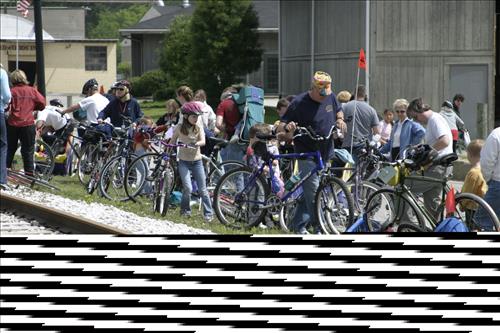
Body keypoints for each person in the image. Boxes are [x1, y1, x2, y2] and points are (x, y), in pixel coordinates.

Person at [276, 71, 346, 234]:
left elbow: (338, 110)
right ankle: (318, 228)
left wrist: (340, 119)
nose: (324, 97)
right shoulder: (299, 102)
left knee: (310, 191)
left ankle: (296, 225)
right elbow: (281, 124)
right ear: (314, 88)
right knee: (314, 192)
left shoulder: (330, 96)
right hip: (306, 152)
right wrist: (288, 128)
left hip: (325, 151)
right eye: (321, 94)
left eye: (326, 93)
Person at [407, 97, 454, 220]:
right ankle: (436, 229)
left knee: (404, 187)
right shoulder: (434, 120)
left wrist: (428, 151)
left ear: (420, 111)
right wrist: (424, 147)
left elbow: (445, 141)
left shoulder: (434, 119)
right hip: (442, 166)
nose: (416, 121)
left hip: (437, 167)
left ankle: (406, 226)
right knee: (431, 201)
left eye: (415, 117)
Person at [170, 102, 213, 222]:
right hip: (183, 161)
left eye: (197, 116)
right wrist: (169, 147)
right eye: (194, 116)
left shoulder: (198, 128)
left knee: (203, 189)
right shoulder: (179, 128)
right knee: (188, 188)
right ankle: (185, 211)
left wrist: (195, 144)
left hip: (197, 161)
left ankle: (208, 213)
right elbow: (173, 141)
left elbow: (203, 141)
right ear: (185, 116)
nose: (196, 119)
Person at [6, 69, 46, 176]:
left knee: (10, 149)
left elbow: (6, 105)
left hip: (12, 123)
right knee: (28, 151)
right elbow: (42, 103)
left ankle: (4, 173)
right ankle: (29, 175)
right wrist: (33, 107)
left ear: (12, 79)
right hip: (28, 124)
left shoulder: (11, 91)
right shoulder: (32, 91)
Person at [341, 85, 380, 160]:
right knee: (361, 170)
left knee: (347, 170)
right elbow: (377, 132)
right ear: (365, 95)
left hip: (347, 145)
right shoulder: (371, 110)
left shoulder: (345, 107)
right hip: (364, 148)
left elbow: (338, 126)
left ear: (354, 93)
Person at [476, 127, 500, 228]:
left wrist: (487, 179)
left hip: (498, 183)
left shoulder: (496, 134)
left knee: (483, 221)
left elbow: (486, 162)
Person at [215, 86, 245, 162]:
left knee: (231, 167)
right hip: (246, 138)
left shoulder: (223, 104)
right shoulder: (242, 102)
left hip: (232, 139)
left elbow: (218, 124)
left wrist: (226, 130)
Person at [460, 140, 487, 210]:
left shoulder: (473, 173)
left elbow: (468, 191)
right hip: (483, 206)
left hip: (472, 207)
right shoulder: (486, 170)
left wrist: (462, 205)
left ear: (469, 154)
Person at [0, 63, 12, 189]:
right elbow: (7, 96)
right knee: (2, 146)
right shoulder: (1, 73)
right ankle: (1, 180)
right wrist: (4, 102)